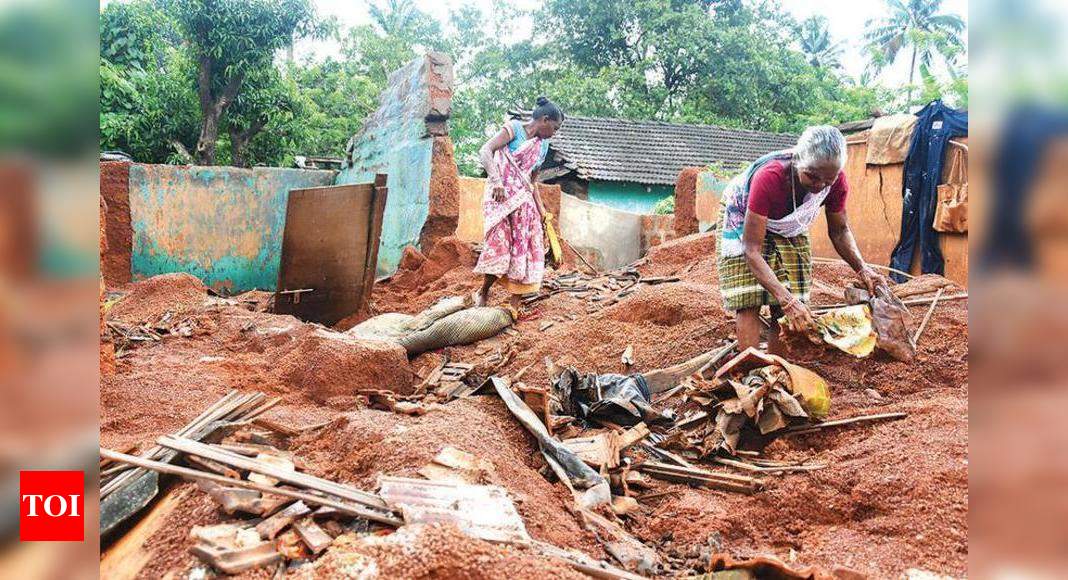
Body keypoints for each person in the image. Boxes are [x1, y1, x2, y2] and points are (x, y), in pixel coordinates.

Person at [717, 125, 887, 354]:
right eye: (812, 176)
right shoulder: (770, 177)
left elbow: (839, 231)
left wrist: (862, 269)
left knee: (790, 299)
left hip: (791, 226)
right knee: (749, 299)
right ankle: (751, 369)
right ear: (798, 160)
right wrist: (787, 301)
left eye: (827, 181)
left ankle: (778, 368)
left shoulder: (835, 182)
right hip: (744, 219)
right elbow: (751, 250)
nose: (819, 186)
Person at [472, 96, 564, 311]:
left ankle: (514, 304)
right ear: (544, 119)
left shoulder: (543, 146)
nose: (555, 133)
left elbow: (532, 182)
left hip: (524, 204)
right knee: (499, 247)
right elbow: (485, 151)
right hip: (501, 200)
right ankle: (483, 291)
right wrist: (496, 181)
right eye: (555, 127)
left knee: (526, 250)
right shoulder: (514, 129)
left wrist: (542, 212)